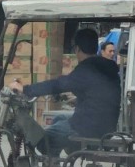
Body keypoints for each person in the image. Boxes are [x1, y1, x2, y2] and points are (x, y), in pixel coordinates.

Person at [9, 28, 120, 156]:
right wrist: (77, 99)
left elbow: (58, 84)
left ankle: (52, 161)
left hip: (88, 127)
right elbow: (99, 94)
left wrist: (26, 89)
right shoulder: (105, 66)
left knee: (45, 138)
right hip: (106, 124)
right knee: (58, 118)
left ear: (77, 49)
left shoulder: (87, 69)